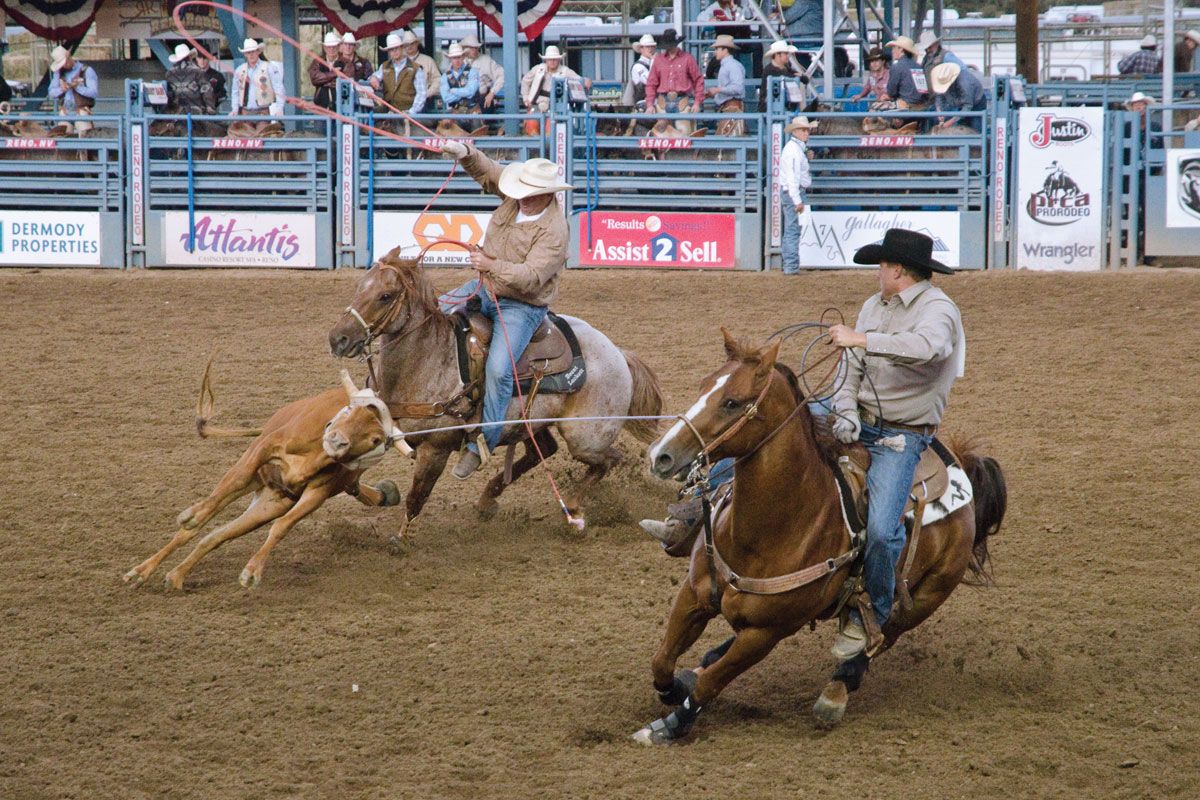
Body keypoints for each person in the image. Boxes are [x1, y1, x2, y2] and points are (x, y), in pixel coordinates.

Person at [824, 227, 964, 661]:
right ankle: (696, 509)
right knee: (771, 421)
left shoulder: (939, 310)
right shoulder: (872, 305)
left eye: (881, 265)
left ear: (898, 269)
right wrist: (844, 408)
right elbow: (850, 370)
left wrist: (863, 338)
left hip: (900, 437)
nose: (877, 273)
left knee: (884, 532)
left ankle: (871, 613)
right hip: (859, 416)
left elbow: (929, 348)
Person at [435, 140, 573, 479]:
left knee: (499, 368)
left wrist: (489, 263)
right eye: (521, 190)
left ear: (547, 194)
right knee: (434, 312)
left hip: (522, 307)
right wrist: (466, 152)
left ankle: (481, 442)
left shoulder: (555, 230)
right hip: (485, 287)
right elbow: (489, 172)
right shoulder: (514, 199)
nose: (522, 197)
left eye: (529, 193)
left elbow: (531, 277)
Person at [644, 29, 704, 134]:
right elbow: (651, 83)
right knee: (661, 132)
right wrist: (649, 104)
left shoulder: (687, 58)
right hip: (664, 99)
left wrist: (697, 102)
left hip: (682, 100)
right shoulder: (659, 60)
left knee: (684, 132)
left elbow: (698, 80)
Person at [778, 115, 816, 274]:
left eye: (807, 130)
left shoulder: (795, 149)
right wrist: (797, 200)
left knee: (792, 229)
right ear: (796, 132)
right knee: (793, 229)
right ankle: (791, 266)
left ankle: (790, 264)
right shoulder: (794, 151)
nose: (806, 133)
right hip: (794, 192)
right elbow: (793, 178)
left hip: (792, 192)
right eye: (803, 130)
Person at [370, 32, 427, 114]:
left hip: (409, 113)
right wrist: (373, 77)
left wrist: (411, 112)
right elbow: (376, 77)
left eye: (396, 48)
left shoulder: (416, 68)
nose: (394, 51)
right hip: (388, 112)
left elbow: (421, 94)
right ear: (389, 52)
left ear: (402, 48)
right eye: (391, 49)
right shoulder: (384, 66)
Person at [46, 45, 98, 132]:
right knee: (63, 141)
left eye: (64, 63)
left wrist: (78, 87)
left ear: (69, 57)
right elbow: (51, 92)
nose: (64, 66)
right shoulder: (58, 73)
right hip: (65, 111)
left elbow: (94, 93)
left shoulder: (87, 70)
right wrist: (61, 89)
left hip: (82, 111)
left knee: (85, 141)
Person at [520, 45, 584, 113]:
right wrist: (526, 98)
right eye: (550, 59)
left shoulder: (565, 71)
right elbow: (525, 81)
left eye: (555, 59)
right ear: (546, 60)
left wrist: (585, 80)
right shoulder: (537, 69)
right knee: (531, 123)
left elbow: (578, 79)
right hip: (536, 104)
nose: (552, 61)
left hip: (556, 106)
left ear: (559, 60)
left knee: (551, 122)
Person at [231, 38, 285, 116]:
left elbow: (279, 88)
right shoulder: (239, 70)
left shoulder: (269, 67)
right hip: (244, 112)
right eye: (248, 52)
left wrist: (279, 109)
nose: (251, 55)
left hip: (263, 111)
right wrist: (235, 110)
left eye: (253, 51)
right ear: (245, 54)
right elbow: (235, 92)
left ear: (258, 52)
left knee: (262, 128)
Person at [929, 62, 986, 132]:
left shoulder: (965, 84)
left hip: (976, 103)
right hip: (959, 103)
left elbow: (968, 106)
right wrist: (939, 110)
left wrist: (951, 122)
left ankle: (977, 141)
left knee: (976, 129)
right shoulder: (945, 80)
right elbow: (939, 94)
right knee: (959, 128)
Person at [164, 43, 216, 115]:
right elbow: (206, 90)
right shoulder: (197, 71)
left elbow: (169, 93)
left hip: (177, 112)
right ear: (189, 57)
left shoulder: (169, 74)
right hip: (197, 111)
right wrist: (210, 108)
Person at [759, 39, 807, 112]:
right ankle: (803, 113)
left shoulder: (786, 68)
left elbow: (805, 80)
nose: (788, 56)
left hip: (784, 105)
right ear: (777, 55)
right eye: (786, 53)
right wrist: (799, 77)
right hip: (771, 107)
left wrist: (800, 77)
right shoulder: (769, 70)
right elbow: (790, 78)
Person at [460, 34, 504, 111]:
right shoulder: (459, 62)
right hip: (464, 103)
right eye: (471, 48)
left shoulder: (486, 60)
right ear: (464, 48)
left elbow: (502, 75)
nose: (474, 50)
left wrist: (492, 93)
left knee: (485, 122)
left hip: (483, 101)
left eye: (476, 47)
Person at [883, 35, 928, 110]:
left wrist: (888, 96)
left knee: (875, 110)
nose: (892, 51)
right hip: (921, 107)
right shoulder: (918, 67)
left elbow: (891, 92)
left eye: (894, 48)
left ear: (901, 49)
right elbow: (923, 90)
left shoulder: (896, 67)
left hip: (904, 106)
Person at [706, 34, 745, 112]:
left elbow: (738, 88)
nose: (715, 52)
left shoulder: (733, 65)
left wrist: (718, 90)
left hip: (732, 107)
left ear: (725, 50)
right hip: (729, 105)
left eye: (717, 49)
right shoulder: (730, 65)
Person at [401, 30, 441, 106]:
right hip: (403, 102)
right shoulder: (400, 62)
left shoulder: (428, 60)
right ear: (403, 47)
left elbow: (437, 80)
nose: (409, 46)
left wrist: (427, 93)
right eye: (406, 44)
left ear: (417, 44)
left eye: (412, 43)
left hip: (425, 102)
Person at [441, 42, 481, 113]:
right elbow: (446, 98)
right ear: (450, 59)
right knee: (444, 123)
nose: (457, 60)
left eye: (459, 57)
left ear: (463, 57)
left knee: (477, 123)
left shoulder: (472, 71)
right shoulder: (445, 76)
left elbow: (470, 92)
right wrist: (464, 93)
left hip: (473, 110)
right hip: (455, 111)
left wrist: (452, 90)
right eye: (454, 58)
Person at [622, 34, 657, 110]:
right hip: (642, 103)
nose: (650, 49)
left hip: (656, 102)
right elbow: (649, 81)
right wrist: (653, 61)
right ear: (641, 49)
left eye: (652, 46)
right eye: (647, 46)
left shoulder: (654, 63)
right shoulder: (637, 66)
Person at [309, 31, 342, 110]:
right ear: (324, 48)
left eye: (334, 46)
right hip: (321, 105)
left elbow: (347, 78)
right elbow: (314, 78)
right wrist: (334, 74)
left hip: (341, 106)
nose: (331, 49)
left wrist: (323, 82)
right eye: (328, 47)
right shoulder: (317, 61)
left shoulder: (345, 62)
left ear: (338, 47)